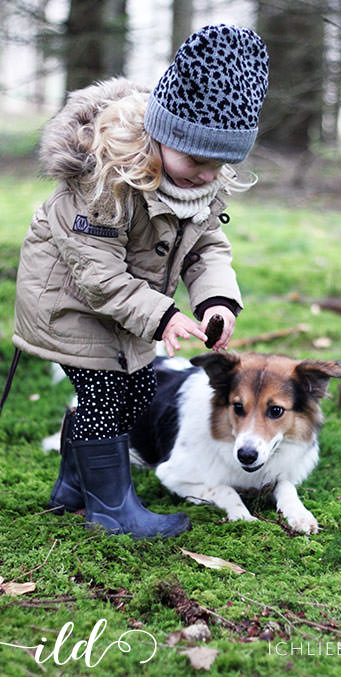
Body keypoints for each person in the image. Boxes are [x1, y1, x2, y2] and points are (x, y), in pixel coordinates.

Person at [12, 24, 269, 540]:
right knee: (109, 399)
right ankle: (112, 510)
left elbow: (206, 248)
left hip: (128, 311)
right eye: (196, 159)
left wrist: (216, 300)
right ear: (162, 134)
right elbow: (96, 273)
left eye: (219, 164)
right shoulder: (105, 179)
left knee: (137, 392)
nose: (205, 174)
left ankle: (72, 488)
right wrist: (163, 314)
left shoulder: (197, 188)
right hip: (73, 307)